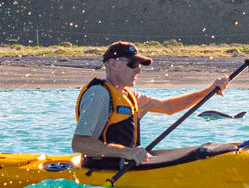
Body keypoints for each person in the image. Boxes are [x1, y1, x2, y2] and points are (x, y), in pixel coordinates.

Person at [72, 41, 228, 164]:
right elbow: (79, 143)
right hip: (103, 168)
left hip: (125, 163)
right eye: (132, 65)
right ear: (113, 64)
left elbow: (168, 107)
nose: (138, 71)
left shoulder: (129, 95)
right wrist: (127, 152)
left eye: (139, 66)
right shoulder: (98, 94)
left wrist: (206, 92)